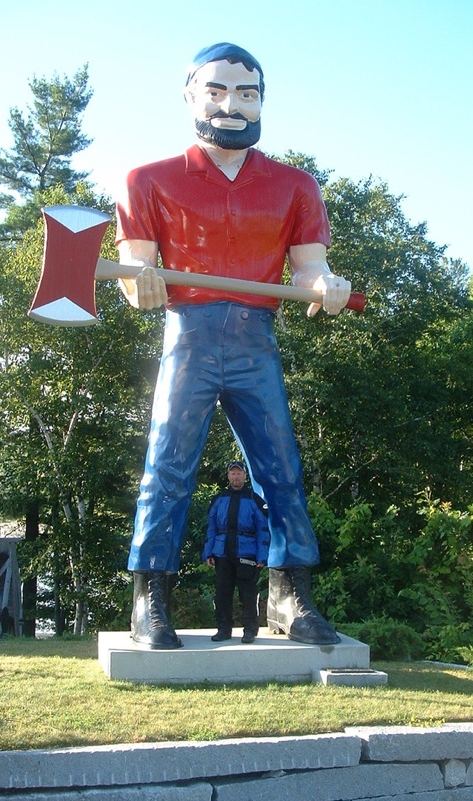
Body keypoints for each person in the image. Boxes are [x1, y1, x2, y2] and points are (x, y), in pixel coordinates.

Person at [116, 42, 351, 650]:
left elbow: (307, 272)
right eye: (216, 90)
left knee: (281, 468)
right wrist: (139, 285)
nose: (231, 104)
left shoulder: (295, 186)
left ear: (262, 101)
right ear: (191, 95)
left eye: (246, 93)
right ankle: (149, 598)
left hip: (254, 337)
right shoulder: (148, 180)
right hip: (188, 335)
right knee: (167, 465)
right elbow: (135, 274)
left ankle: (288, 593)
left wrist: (323, 284)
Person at [203, 461, 269, 643]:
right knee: (222, 594)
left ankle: (249, 630)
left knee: (248, 595)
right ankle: (224, 629)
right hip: (222, 554)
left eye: (239, 473)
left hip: (247, 554)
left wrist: (262, 556)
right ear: (228, 476)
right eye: (232, 473)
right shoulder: (219, 499)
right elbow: (211, 528)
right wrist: (208, 553)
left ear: (245, 476)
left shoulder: (255, 499)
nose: (236, 476)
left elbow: (263, 530)